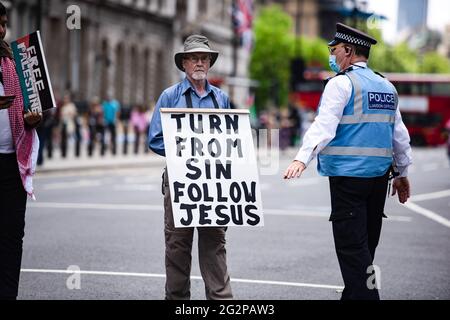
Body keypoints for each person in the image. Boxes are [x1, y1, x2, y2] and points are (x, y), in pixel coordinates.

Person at [284, 23, 412, 300]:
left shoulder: (341, 84)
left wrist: (301, 158)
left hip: (348, 182)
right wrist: (401, 172)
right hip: (379, 180)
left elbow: (323, 126)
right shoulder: (387, 86)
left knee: (353, 252)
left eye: (334, 49)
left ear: (348, 51)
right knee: (365, 250)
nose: (331, 54)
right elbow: (399, 135)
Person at [148, 34, 233, 300]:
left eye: (204, 58)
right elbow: (155, 138)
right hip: (179, 182)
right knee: (177, 246)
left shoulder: (222, 99)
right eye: (194, 58)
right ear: (184, 63)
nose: (199, 63)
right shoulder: (170, 97)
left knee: (214, 245)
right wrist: (186, 149)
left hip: (213, 187)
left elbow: (232, 141)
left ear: (209, 63)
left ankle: (222, 301)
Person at [0, 2, 41, 299]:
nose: (1, 29)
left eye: (3, 23)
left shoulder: (14, 62)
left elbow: (32, 108)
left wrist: (34, 117)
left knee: (12, 236)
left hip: (11, 164)